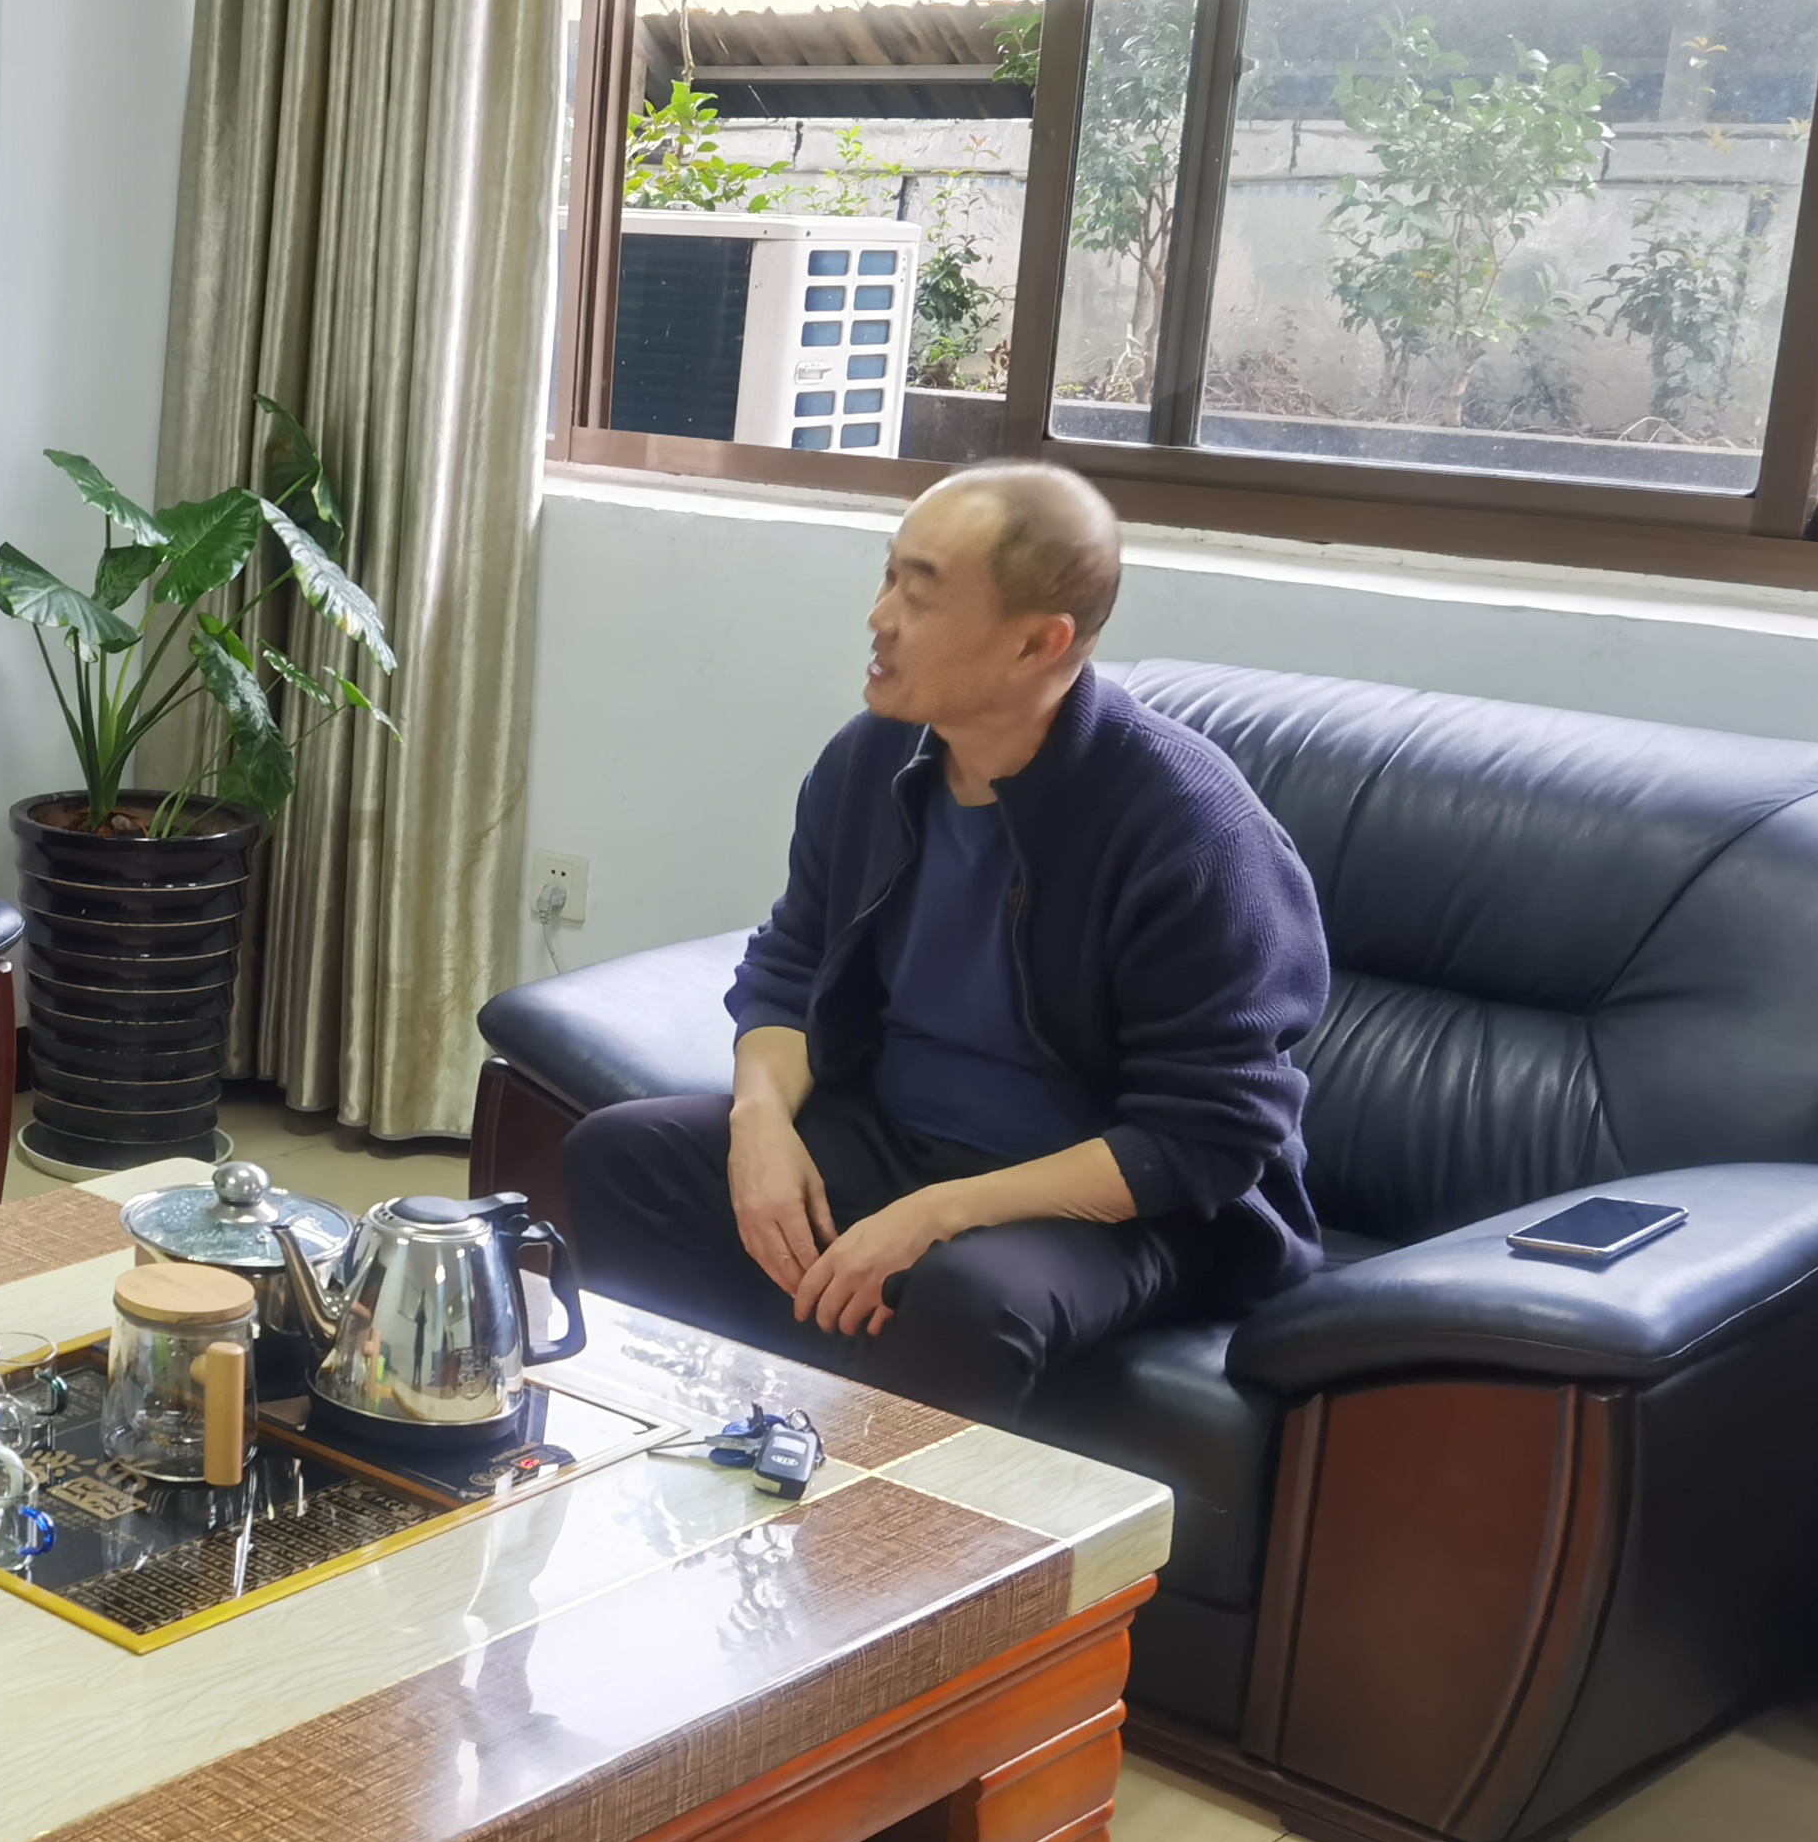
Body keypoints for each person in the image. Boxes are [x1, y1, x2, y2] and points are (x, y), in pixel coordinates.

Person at [559, 462, 1330, 1424]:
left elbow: (1205, 1137)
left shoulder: (1191, 831)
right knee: (626, 1154)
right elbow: (790, 967)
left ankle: (872, 1519)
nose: (878, 618)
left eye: (919, 596)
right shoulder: (872, 758)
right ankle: (700, 1442)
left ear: (1039, 642)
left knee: (970, 1295)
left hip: (1120, 1204)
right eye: (888, 576)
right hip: (897, 1136)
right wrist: (760, 1127)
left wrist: (937, 1214)